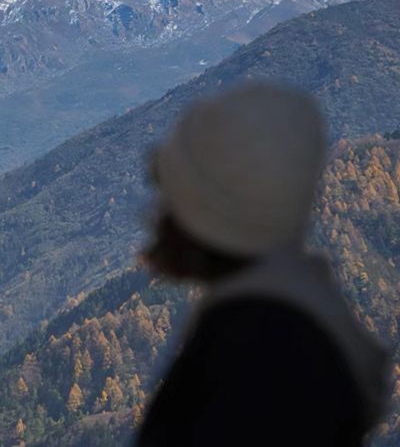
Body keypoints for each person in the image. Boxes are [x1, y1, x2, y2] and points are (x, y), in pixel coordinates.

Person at [137, 81, 390, 447]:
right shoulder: (290, 320)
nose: (157, 214)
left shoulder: (257, 353)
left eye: (172, 191)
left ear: (210, 209)